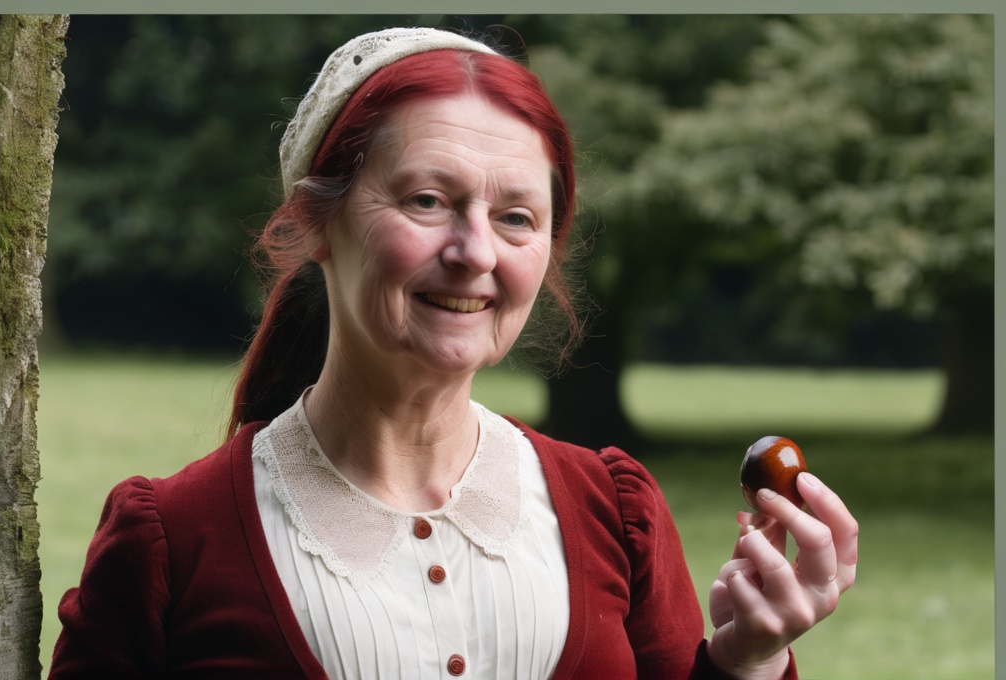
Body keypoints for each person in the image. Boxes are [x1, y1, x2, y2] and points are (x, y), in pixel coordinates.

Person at [49, 26, 857, 679]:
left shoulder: (614, 513)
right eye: (428, 201)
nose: (475, 251)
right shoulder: (170, 543)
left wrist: (747, 660)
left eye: (516, 217)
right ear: (315, 224)